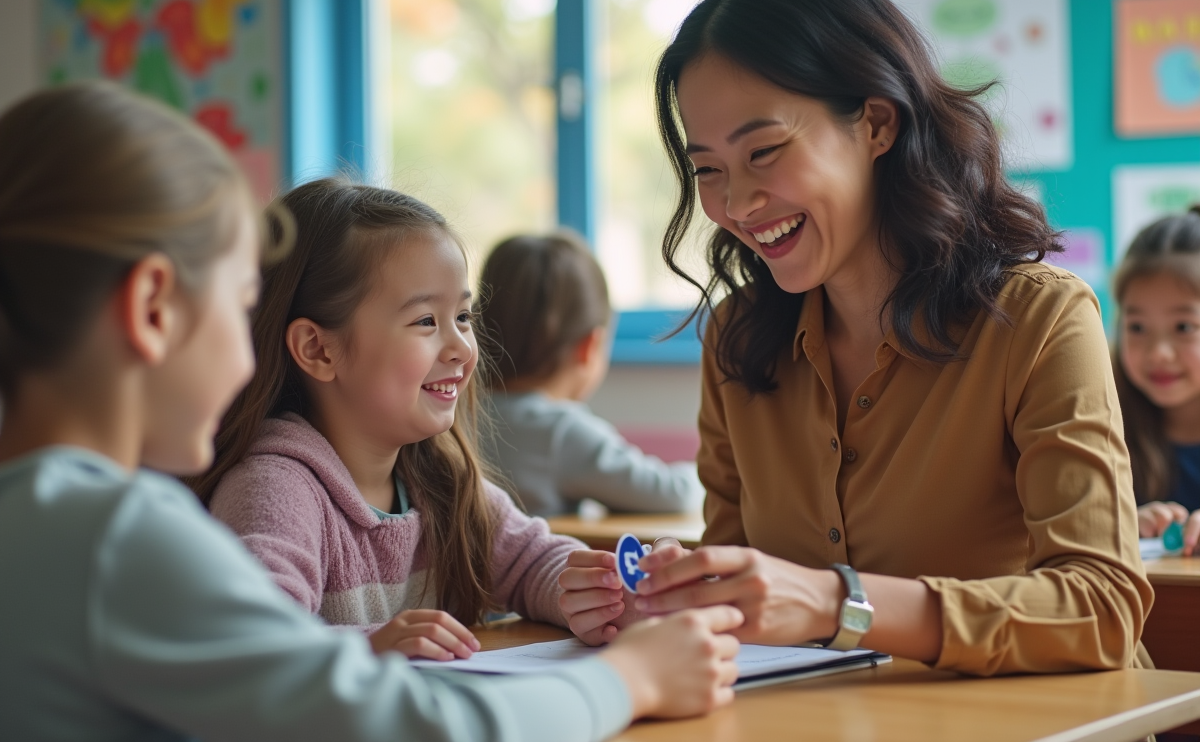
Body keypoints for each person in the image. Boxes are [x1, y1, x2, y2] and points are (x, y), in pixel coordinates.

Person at [0, 82, 743, 741]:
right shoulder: (112, 539)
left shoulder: (49, 519)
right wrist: (633, 679)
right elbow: (420, 726)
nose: (246, 356)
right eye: (239, 308)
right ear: (152, 309)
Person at [557, 0, 1151, 674]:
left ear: (875, 124)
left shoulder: (1040, 321)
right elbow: (739, 607)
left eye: (765, 151)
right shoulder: (740, 341)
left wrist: (838, 603)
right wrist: (662, 599)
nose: (735, 205)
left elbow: (1101, 609)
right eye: (707, 169)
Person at [191, 180, 629, 659]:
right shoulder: (274, 488)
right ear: (317, 349)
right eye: (425, 321)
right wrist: (372, 646)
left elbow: (532, 562)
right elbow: (253, 640)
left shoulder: (439, 479)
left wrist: (597, 590)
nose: (463, 348)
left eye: (463, 317)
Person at [477, 231, 702, 517]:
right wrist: (706, 473)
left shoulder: (454, 418)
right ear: (589, 346)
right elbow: (674, 494)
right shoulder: (559, 432)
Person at [1114, 207, 1200, 553]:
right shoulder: (1105, 422)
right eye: (1137, 328)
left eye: (1183, 327)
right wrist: (1120, 524)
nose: (1158, 353)